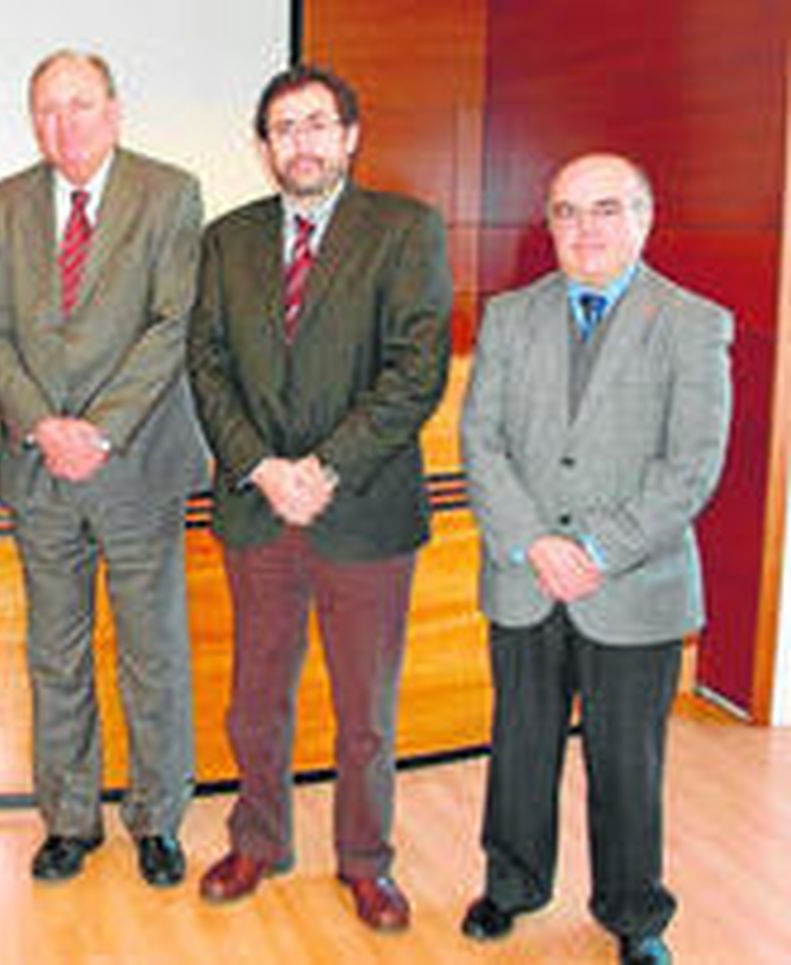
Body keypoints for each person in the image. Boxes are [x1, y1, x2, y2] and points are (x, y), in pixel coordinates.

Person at [186, 63, 452, 930]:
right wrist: (263, 467)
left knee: (364, 708)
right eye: (282, 128)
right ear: (264, 147)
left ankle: (366, 861)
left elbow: (416, 370)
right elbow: (207, 366)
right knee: (255, 698)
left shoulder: (404, 229)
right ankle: (258, 840)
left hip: (364, 509)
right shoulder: (227, 240)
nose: (299, 142)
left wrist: (326, 467)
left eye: (315, 124)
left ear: (350, 136)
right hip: (258, 507)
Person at [458, 153, 731, 965]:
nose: (585, 228)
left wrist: (597, 548)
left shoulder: (691, 322)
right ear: (549, 223)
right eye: (567, 211)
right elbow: (481, 441)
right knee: (521, 746)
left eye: (606, 208)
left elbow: (692, 466)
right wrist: (535, 542)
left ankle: (634, 912)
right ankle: (510, 885)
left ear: (644, 217)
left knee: (628, 761)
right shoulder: (510, 316)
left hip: (634, 584)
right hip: (525, 574)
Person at [0, 49, 204, 887]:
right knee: (56, 654)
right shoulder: (3, 202)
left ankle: (157, 818)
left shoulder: (169, 192)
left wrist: (98, 430)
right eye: (46, 108)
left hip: (135, 465)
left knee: (152, 654)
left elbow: (174, 323)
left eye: (79, 104)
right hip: (40, 470)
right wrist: (42, 424)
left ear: (113, 110)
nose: (63, 124)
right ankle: (69, 819)